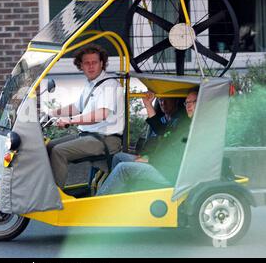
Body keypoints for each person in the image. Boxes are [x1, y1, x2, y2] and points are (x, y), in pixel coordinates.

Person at [47, 44, 125, 188]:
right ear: (81, 66)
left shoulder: (109, 85)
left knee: (58, 152)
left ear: (102, 64)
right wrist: (51, 113)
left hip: (106, 139)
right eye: (86, 63)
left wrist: (70, 121)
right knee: (48, 146)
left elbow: (101, 114)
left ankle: (54, 198)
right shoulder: (91, 85)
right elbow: (76, 107)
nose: (90, 66)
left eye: (94, 62)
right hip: (89, 136)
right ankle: (46, 189)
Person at [96, 90, 198, 196]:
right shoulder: (185, 123)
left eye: (192, 102)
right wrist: (148, 104)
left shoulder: (196, 128)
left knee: (123, 168)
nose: (188, 106)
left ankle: (99, 202)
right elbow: (161, 131)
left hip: (170, 172)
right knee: (118, 157)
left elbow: (177, 154)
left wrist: (150, 159)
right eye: (187, 103)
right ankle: (120, 194)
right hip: (161, 164)